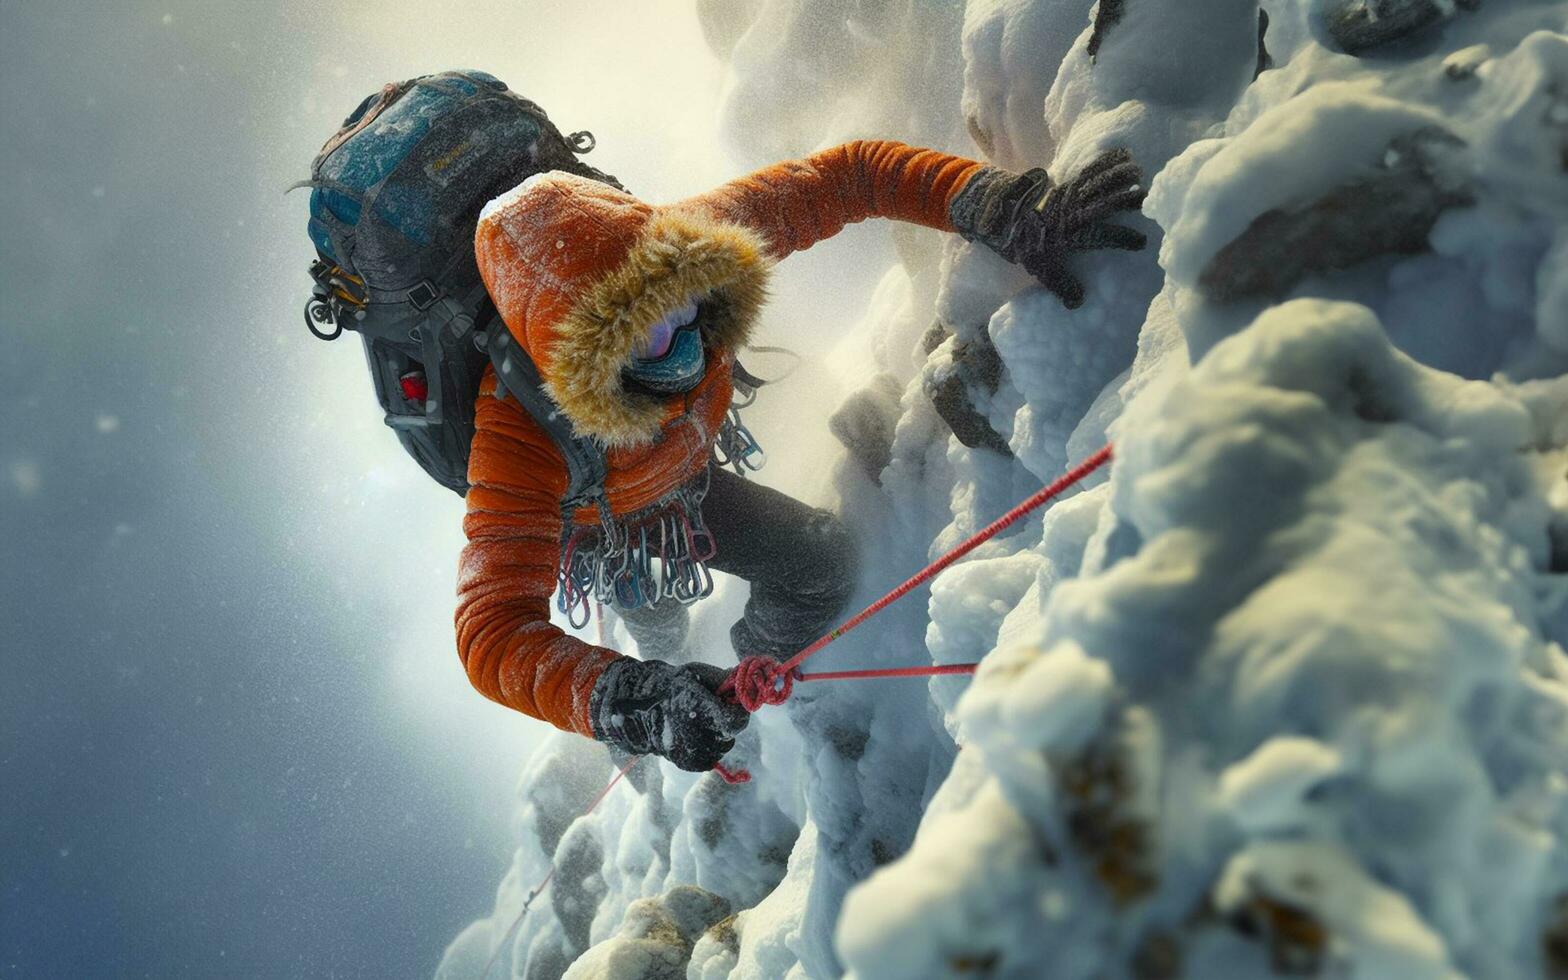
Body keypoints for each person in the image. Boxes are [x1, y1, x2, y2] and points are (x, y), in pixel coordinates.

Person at [457, 135, 1148, 774]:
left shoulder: (694, 238)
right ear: (581, 369)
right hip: (605, 522)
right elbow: (490, 635)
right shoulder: (518, 437)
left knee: (820, 564)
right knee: (654, 621)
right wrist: (631, 700)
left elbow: (849, 175)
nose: (688, 340)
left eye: (688, 303)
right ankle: (652, 639)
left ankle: (746, 678)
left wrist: (990, 201)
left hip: (682, 480)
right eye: (650, 340)